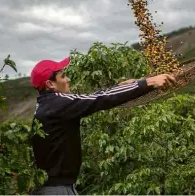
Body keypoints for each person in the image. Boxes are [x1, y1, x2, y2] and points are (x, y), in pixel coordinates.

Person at [29, 56, 176, 195]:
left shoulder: (46, 104)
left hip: (53, 187)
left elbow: (93, 96)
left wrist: (119, 86)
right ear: (50, 84)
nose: (67, 79)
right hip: (57, 190)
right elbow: (99, 99)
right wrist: (147, 83)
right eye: (62, 76)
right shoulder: (58, 103)